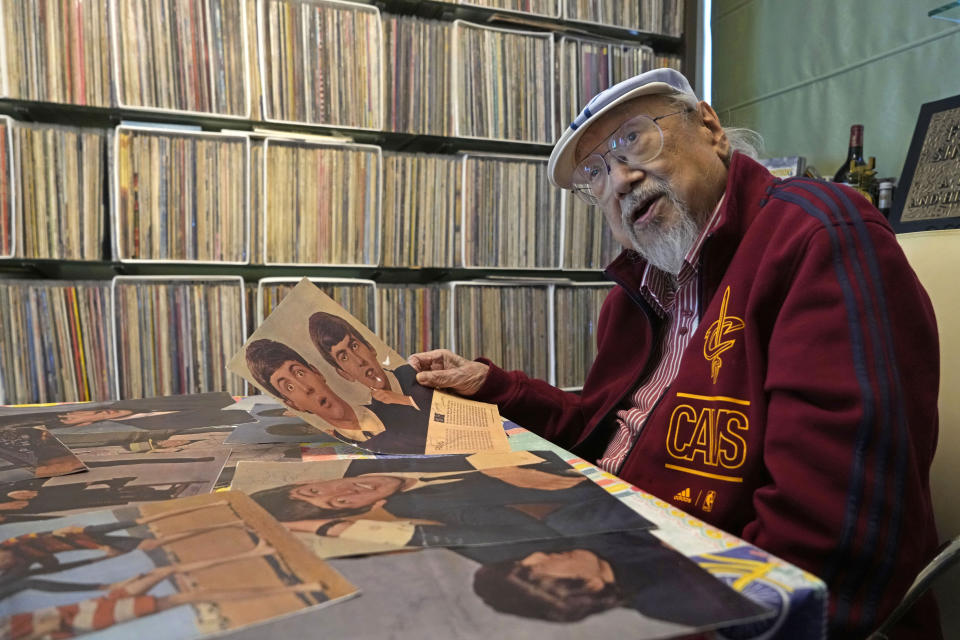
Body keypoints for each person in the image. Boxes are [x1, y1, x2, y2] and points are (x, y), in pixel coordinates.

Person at [409, 68, 940, 639]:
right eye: (595, 173)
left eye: (632, 139)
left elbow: (833, 541)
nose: (619, 179)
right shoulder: (634, 296)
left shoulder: (816, 235)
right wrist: (492, 388)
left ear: (710, 127)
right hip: (608, 549)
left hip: (712, 603)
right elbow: (601, 431)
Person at [249, 453, 649, 548]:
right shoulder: (426, 508)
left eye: (314, 490)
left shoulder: (373, 452)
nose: (343, 492)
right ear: (358, 511)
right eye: (336, 505)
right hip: (613, 487)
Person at [465, 530, 768, 628]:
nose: (535, 557)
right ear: (586, 588)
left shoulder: (593, 543)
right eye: (531, 571)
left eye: (521, 561)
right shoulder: (684, 601)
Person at [244, 339, 427, 453]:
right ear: (293, 404)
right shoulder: (330, 445)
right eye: (290, 387)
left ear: (317, 373)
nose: (306, 388)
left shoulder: (398, 401)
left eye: (300, 373)